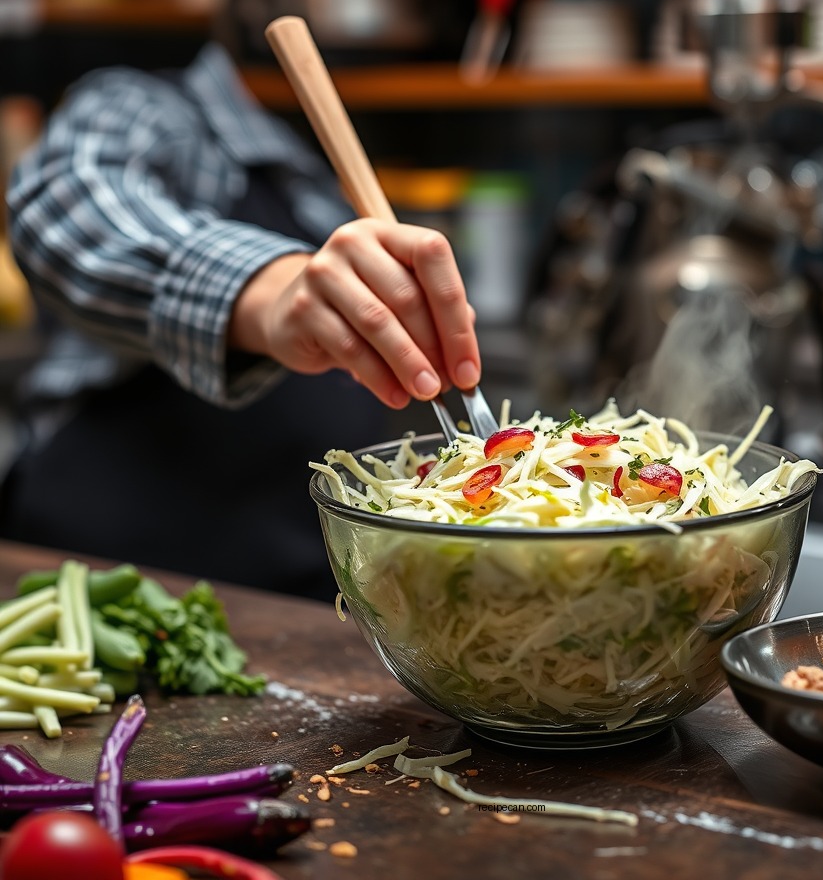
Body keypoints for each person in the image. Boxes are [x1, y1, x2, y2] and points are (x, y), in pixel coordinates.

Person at [0, 43, 481, 600]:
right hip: (98, 584)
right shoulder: (142, 105)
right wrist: (273, 289)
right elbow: (63, 204)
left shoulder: (318, 179)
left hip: (299, 600)